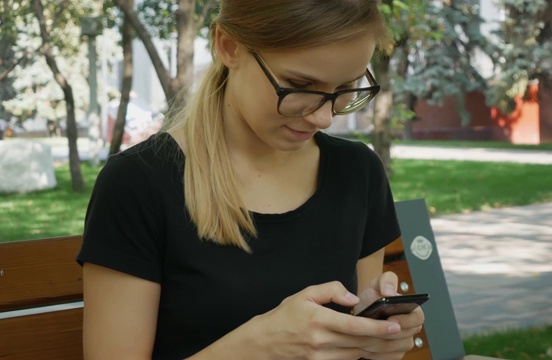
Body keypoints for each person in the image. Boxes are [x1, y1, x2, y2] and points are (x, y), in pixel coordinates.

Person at [77, 0, 425, 359]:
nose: (324, 118)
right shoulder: (138, 184)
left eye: (345, 89)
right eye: (300, 85)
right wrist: (259, 345)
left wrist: (374, 338)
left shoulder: (357, 172)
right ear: (228, 46)